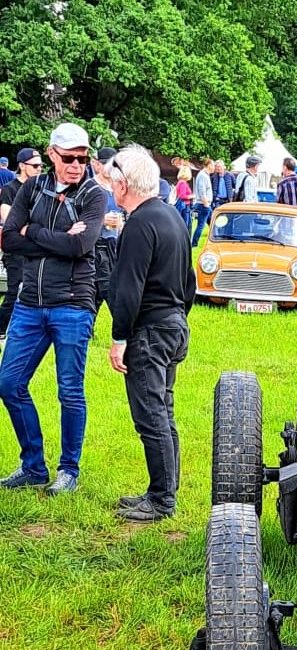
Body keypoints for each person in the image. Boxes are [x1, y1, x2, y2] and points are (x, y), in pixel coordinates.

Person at [0, 122, 105, 495]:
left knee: (70, 391)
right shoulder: (32, 187)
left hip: (73, 306)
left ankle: (68, 470)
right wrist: (56, 238)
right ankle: (33, 465)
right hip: (30, 304)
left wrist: (34, 233)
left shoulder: (94, 195)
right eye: (69, 157)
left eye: (83, 157)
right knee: (9, 383)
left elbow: (81, 248)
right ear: (51, 154)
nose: (77, 164)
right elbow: (9, 239)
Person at [107, 145, 196, 522]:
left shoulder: (141, 223)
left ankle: (162, 498)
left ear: (124, 184)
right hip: (174, 323)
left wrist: (119, 338)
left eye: (113, 182)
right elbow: (190, 282)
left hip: (151, 329)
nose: (111, 188)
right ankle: (164, 489)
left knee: (151, 416)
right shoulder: (172, 215)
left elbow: (128, 287)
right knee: (164, 411)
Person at [0, 148, 43, 339]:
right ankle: (1, 329)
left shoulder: (42, 189)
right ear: (22, 166)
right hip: (17, 248)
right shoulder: (10, 189)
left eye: (41, 166)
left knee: (32, 290)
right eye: (35, 166)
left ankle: (26, 331)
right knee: (14, 290)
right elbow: (9, 220)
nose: (39, 169)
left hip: (37, 247)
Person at [91, 147, 124, 317]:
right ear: (97, 164)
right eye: (107, 164)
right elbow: (78, 218)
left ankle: (88, 328)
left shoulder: (118, 187)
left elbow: (125, 213)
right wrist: (102, 220)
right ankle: (123, 330)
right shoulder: (90, 187)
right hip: (97, 244)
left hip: (115, 244)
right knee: (108, 287)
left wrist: (122, 223)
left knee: (97, 291)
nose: (110, 168)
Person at [191, 157, 214, 247]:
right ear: (208, 165)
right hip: (203, 204)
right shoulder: (202, 175)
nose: (213, 167)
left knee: (212, 223)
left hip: (206, 204)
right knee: (201, 225)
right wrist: (206, 204)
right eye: (212, 165)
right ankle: (194, 243)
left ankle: (215, 239)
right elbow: (202, 191)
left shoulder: (205, 175)